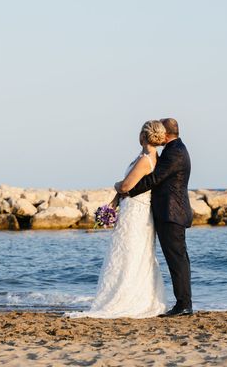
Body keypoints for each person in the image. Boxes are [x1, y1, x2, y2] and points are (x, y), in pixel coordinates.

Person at [67, 120, 168, 318]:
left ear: (142, 136)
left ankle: (126, 298)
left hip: (135, 213)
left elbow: (126, 187)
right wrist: (113, 204)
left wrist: (116, 185)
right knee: (135, 254)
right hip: (133, 209)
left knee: (129, 253)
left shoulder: (145, 159)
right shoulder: (151, 158)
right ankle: (137, 296)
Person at [117, 117, 193, 316]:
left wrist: (127, 190)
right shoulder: (174, 149)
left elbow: (155, 178)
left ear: (166, 133)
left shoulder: (175, 152)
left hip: (172, 213)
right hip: (169, 212)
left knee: (177, 260)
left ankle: (184, 305)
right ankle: (183, 303)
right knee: (177, 259)